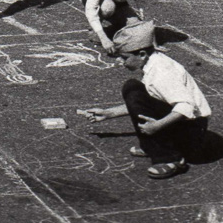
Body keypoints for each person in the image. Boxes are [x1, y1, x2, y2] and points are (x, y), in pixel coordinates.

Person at [82, 20, 211, 181]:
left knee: (132, 88)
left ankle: (171, 158)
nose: (120, 62)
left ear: (142, 54)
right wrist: (108, 113)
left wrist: (156, 126)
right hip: (188, 127)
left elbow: (186, 107)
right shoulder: (152, 63)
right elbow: (149, 101)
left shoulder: (162, 72)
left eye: (124, 57)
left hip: (192, 132)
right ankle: (155, 145)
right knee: (134, 89)